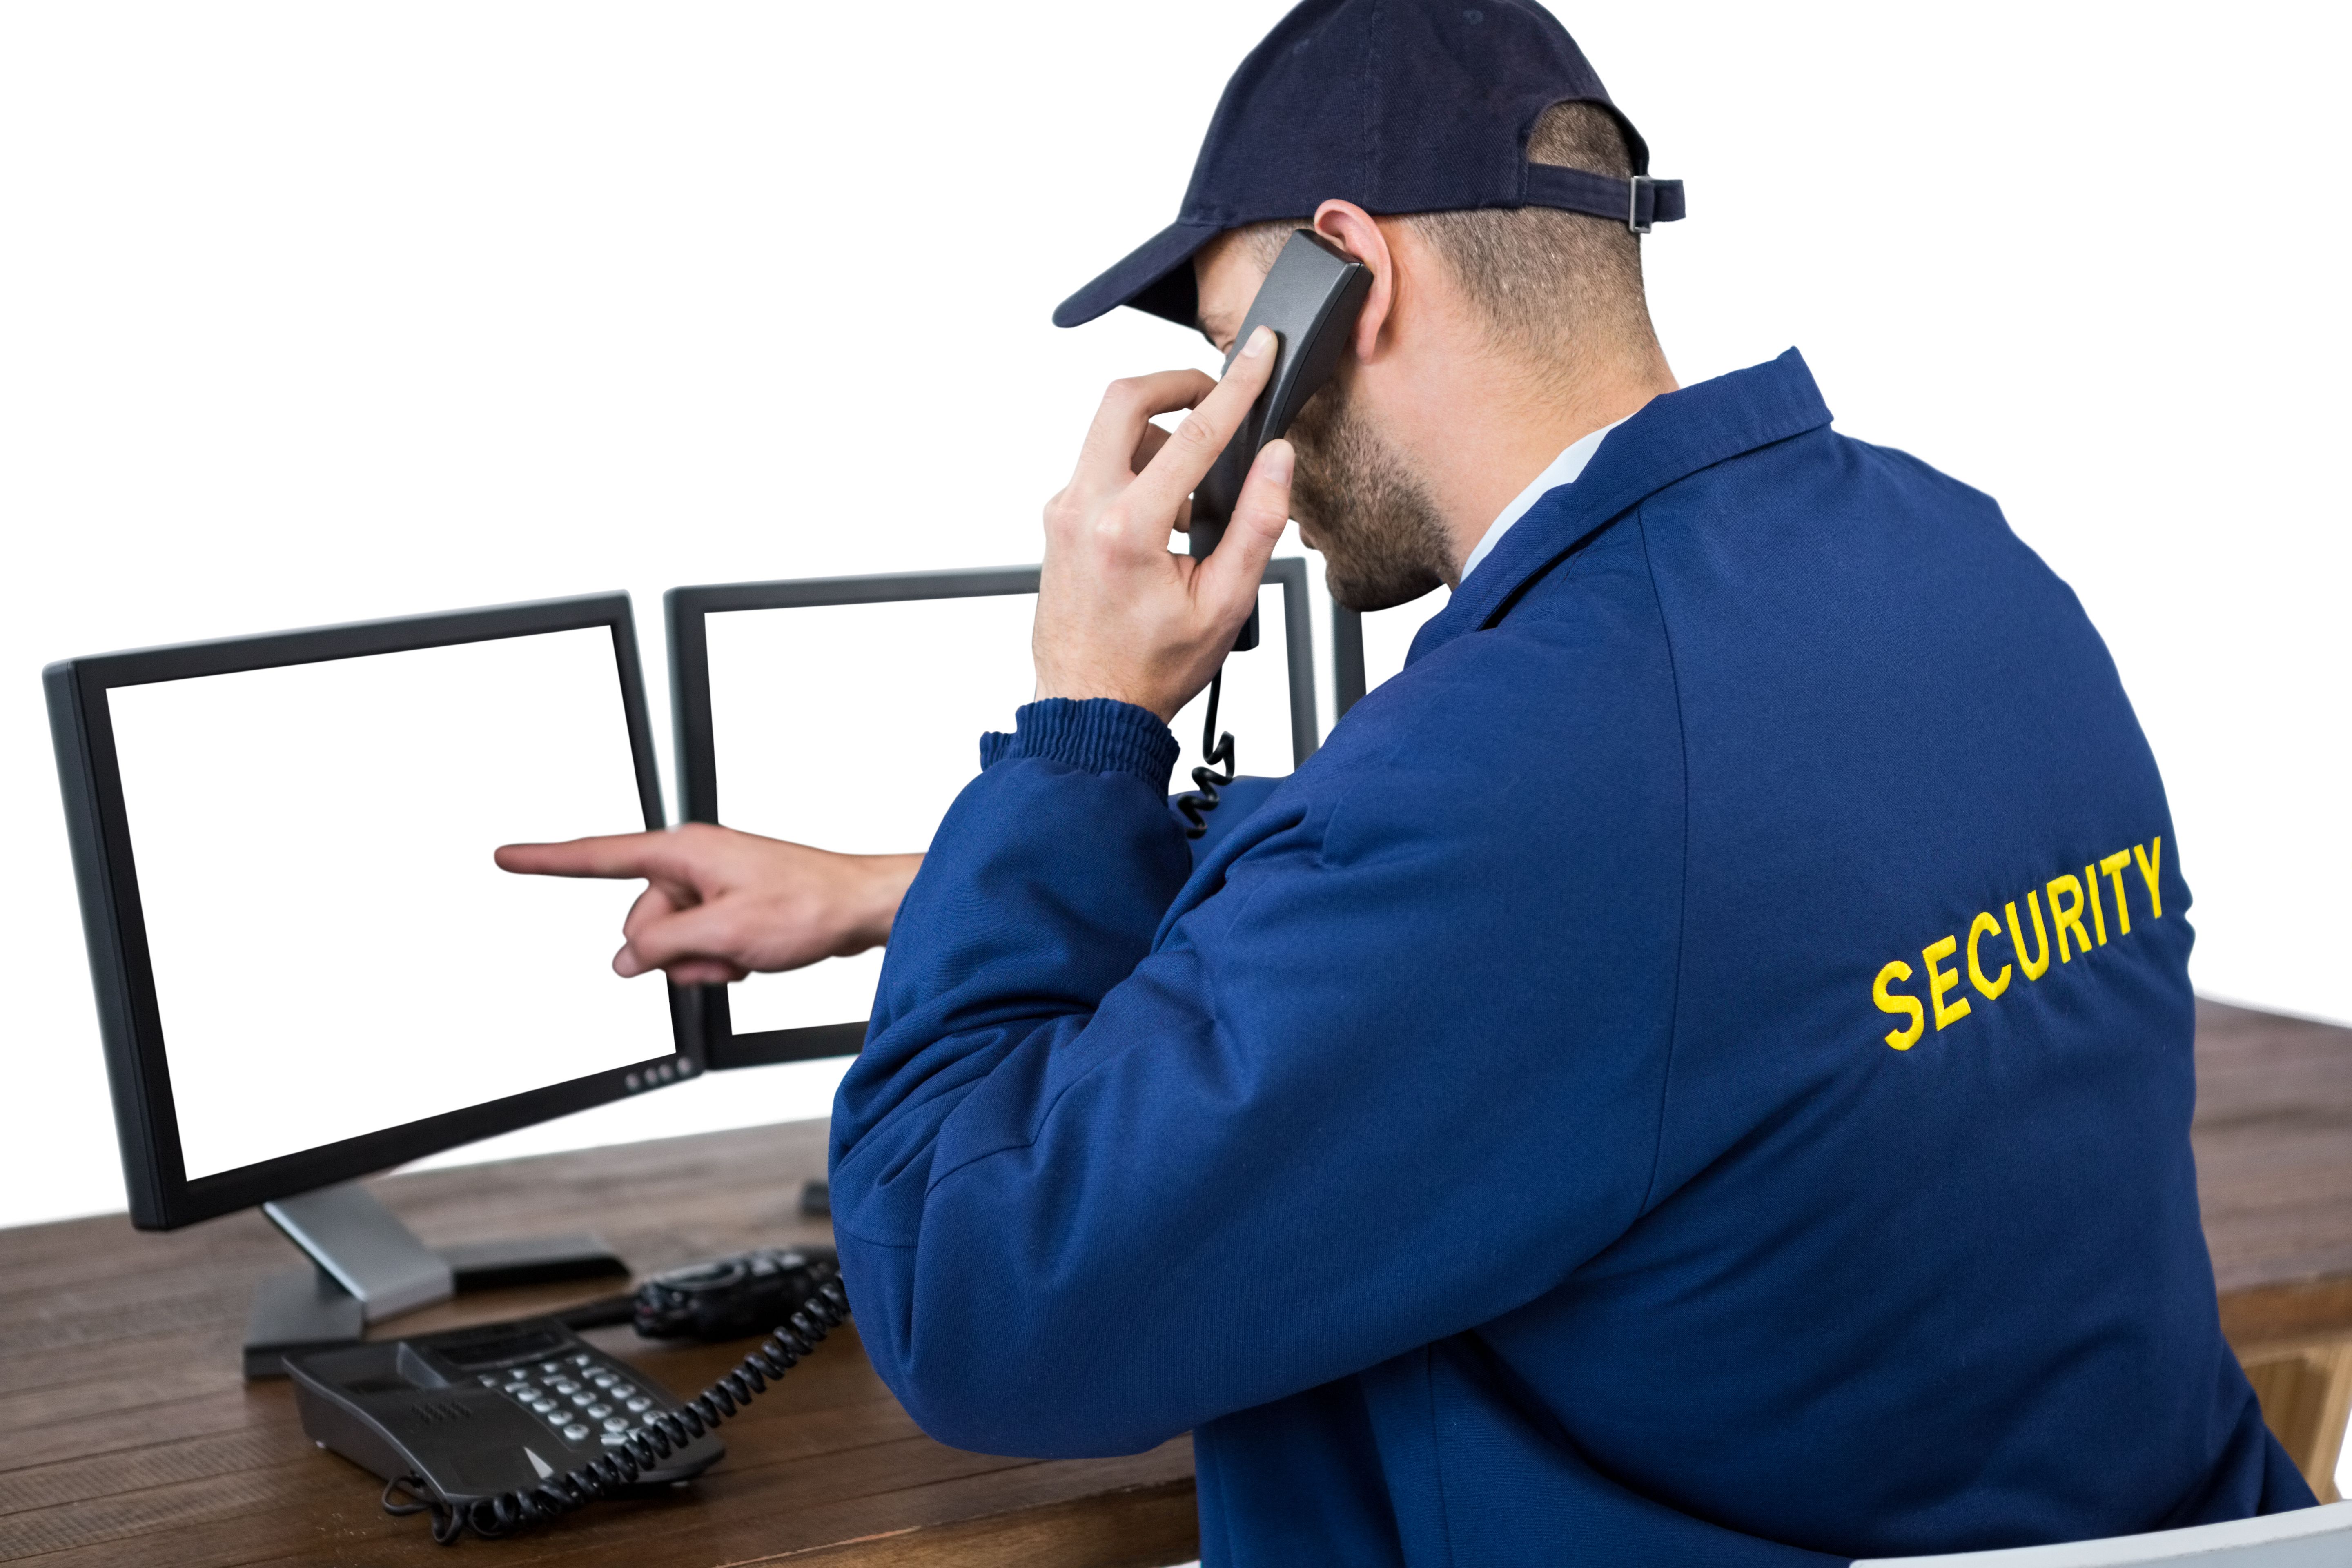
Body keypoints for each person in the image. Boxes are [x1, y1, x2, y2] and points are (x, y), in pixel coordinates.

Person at [498, 1, 2317, 1561]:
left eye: (1234, 351)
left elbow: (974, 1304)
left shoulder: (1531, 769)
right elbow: (1678, 913)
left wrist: (1084, 726)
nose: (1231, 420)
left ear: (1348, 277)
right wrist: (912, 889)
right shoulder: (1947, 553)